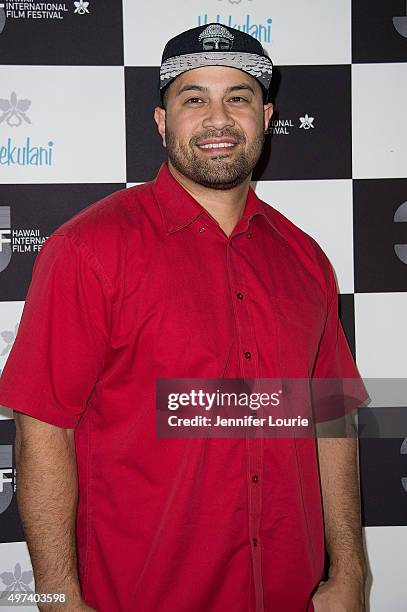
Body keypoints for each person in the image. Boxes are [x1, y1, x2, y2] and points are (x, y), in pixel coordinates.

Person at [0, 23, 368, 612]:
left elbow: (330, 420)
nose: (217, 119)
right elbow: (41, 429)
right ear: (162, 120)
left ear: (267, 116)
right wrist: (55, 599)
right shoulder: (87, 250)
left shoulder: (305, 259)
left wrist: (349, 570)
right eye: (194, 99)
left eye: (239, 98)